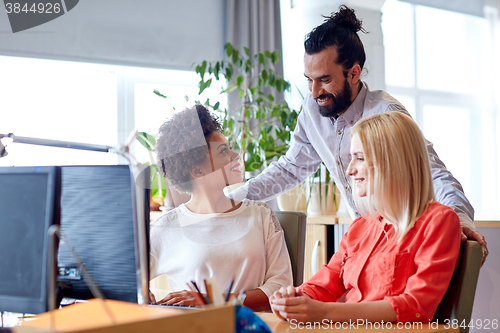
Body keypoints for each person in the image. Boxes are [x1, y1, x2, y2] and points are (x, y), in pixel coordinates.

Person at [230, 5, 488, 263]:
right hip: (363, 242)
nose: (314, 91)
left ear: (353, 73)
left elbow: (433, 173)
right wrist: (235, 197)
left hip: (403, 244)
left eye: (324, 79)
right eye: (309, 79)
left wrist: (460, 218)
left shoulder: (385, 112)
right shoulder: (312, 110)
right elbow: (290, 168)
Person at [270, 111, 461, 323]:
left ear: (392, 162)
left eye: (359, 158)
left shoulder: (439, 221)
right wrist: (294, 299)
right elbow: (323, 285)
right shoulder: (360, 226)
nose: (350, 170)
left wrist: (323, 313)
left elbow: (417, 306)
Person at [149, 104, 293, 311]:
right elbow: (124, 280)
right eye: (224, 151)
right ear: (197, 170)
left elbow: (281, 287)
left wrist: (216, 299)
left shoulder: (261, 215)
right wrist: (141, 294)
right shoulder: (165, 228)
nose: (236, 156)